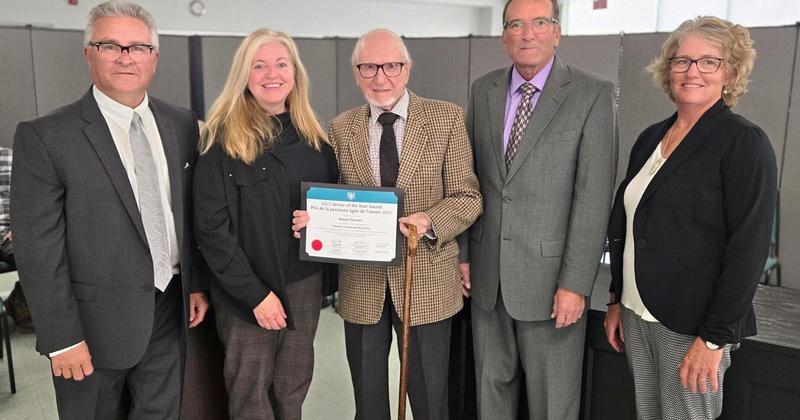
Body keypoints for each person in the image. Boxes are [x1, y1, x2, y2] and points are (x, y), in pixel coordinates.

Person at [11, 1, 209, 418]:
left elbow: (186, 215)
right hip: (90, 326)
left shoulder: (181, 124)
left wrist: (194, 283)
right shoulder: (46, 137)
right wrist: (62, 337)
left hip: (170, 306)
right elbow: (37, 249)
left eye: (137, 47)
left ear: (154, 57)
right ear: (88, 53)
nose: (125, 57)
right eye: (109, 45)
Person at [292, 29, 482, 420]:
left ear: (407, 69)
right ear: (356, 73)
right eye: (368, 67)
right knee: (369, 401)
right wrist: (317, 219)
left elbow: (468, 196)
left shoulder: (446, 118)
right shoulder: (341, 128)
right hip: (363, 285)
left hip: (426, 279)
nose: (381, 78)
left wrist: (430, 219)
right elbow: (334, 196)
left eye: (391, 66)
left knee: (431, 399)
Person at [603, 16, 777, 420]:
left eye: (708, 61)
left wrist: (714, 340)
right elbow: (629, 224)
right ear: (668, 70)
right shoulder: (651, 137)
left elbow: (748, 251)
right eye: (682, 61)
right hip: (637, 311)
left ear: (730, 71)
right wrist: (616, 299)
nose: (692, 71)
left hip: (691, 325)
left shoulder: (743, 143)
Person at [458, 0, 619, 418]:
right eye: (516, 24)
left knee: (553, 402)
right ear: (504, 35)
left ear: (557, 31)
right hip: (487, 276)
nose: (527, 33)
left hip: (553, 285)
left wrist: (576, 283)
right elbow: (467, 180)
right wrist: (464, 254)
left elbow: (593, 197)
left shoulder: (592, 93)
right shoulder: (483, 90)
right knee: (490, 391)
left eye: (539, 22)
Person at [193, 29, 337, 420]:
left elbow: (332, 213)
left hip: (304, 286)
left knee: (292, 389)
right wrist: (256, 296)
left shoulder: (316, 142)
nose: (271, 74)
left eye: (281, 63)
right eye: (259, 65)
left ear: (295, 73)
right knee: (249, 394)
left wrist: (322, 220)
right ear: (244, 74)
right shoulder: (220, 143)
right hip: (245, 291)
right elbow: (211, 231)